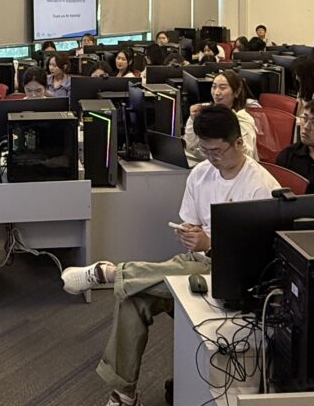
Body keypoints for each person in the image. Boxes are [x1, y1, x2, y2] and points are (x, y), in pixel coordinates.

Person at [60, 105, 279, 406]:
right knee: (133, 297)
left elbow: (259, 257)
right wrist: (191, 234)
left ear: (239, 143)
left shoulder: (261, 187)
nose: (211, 158)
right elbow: (194, 224)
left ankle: (110, 273)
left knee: (137, 288)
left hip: (233, 276)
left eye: (217, 151)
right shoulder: (201, 173)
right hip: (196, 263)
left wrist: (209, 243)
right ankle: (124, 393)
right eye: (204, 151)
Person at [183, 71, 258, 164]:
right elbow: (189, 145)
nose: (216, 92)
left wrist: (232, 125)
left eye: (222, 88)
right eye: (214, 87)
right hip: (207, 163)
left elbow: (248, 156)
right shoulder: (207, 112)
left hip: (233, 167)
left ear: (236, 92)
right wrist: (193, 120)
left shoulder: (242, 118)